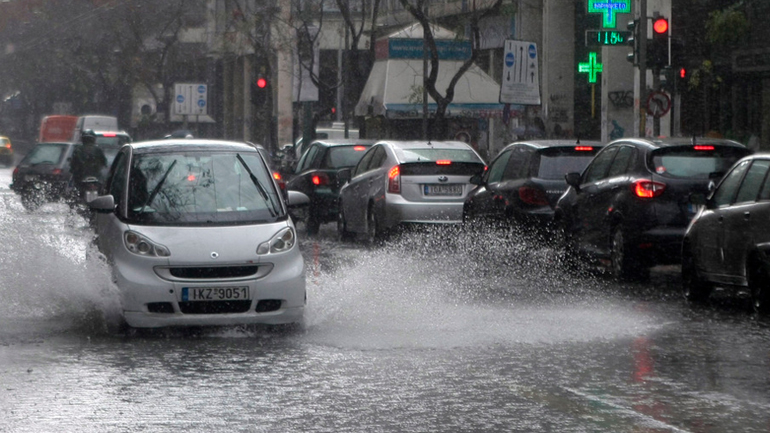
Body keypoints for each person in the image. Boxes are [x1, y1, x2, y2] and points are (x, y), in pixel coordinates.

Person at [70, 129, 107, 202]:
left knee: (73, 191)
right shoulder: (98, 149)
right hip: (95, 176)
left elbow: (73, 164)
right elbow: (104, 162)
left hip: (81, 176)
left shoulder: (78, 149)